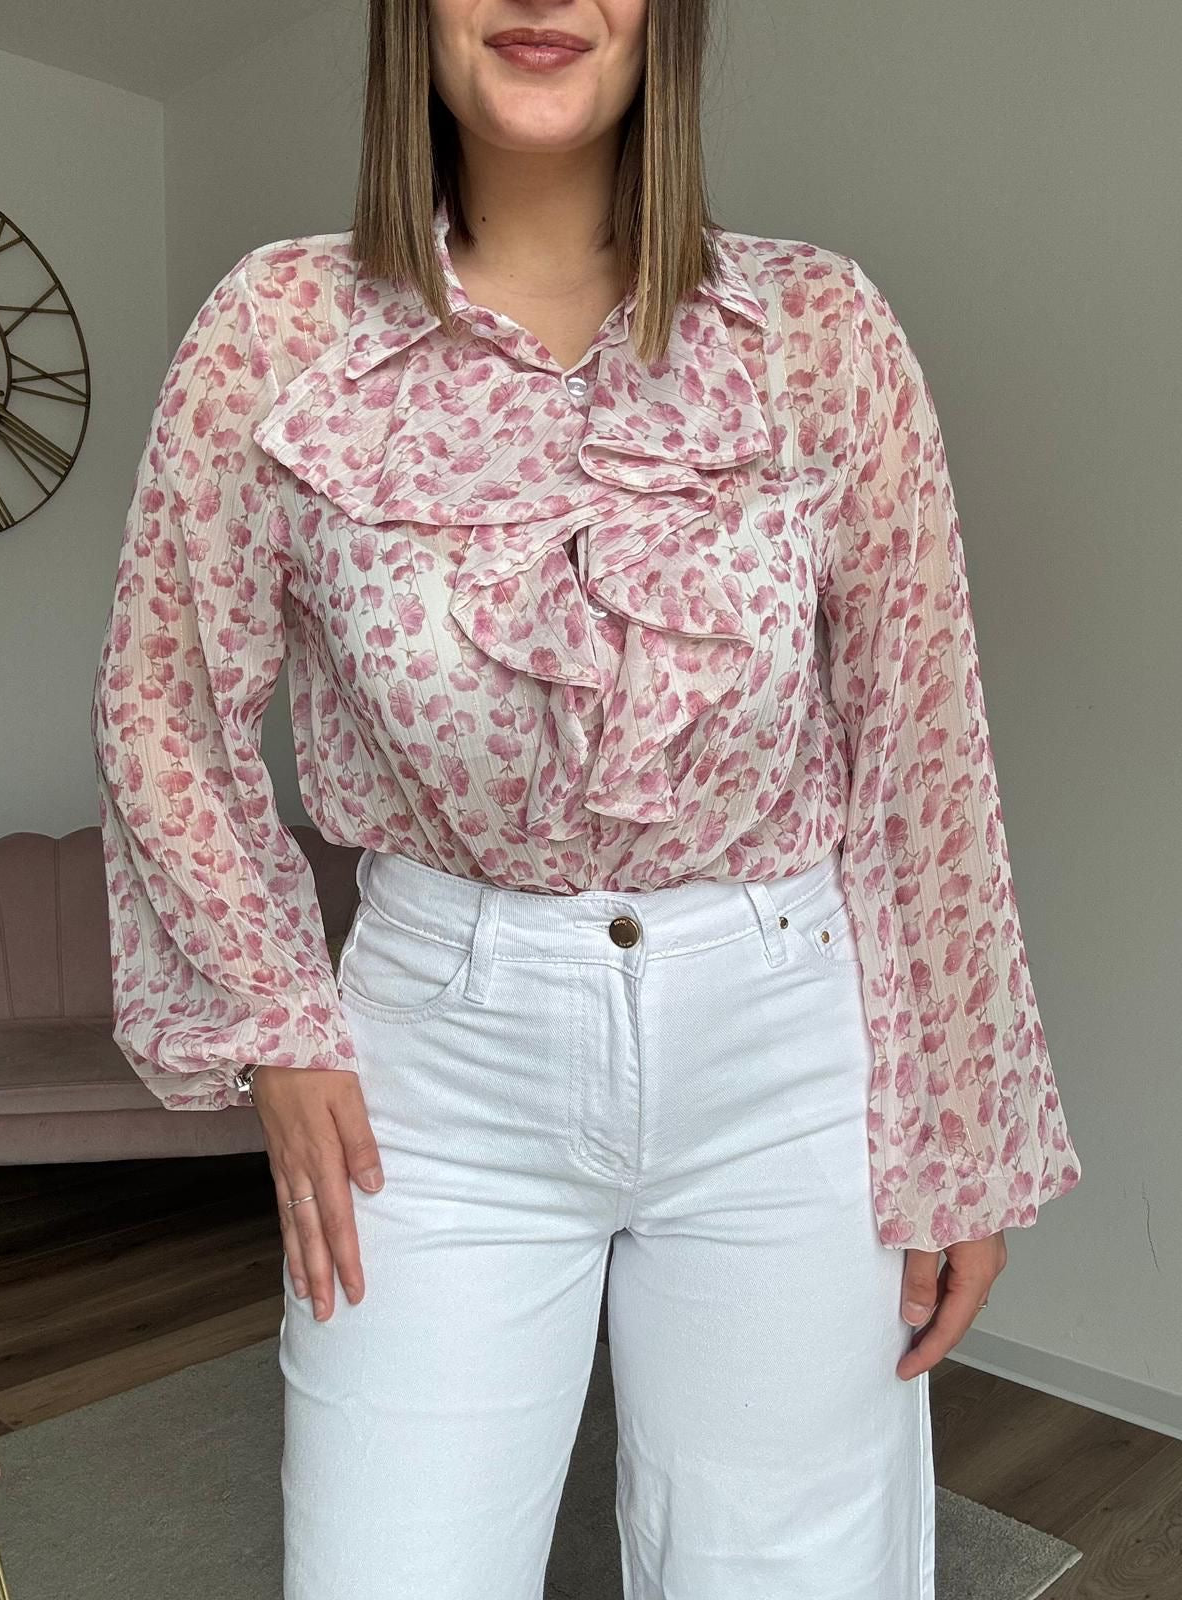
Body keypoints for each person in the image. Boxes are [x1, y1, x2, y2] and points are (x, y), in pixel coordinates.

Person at [89, 1, 1083, 1594]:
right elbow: (161, 700)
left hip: (786, 1055)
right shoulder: (281, 326)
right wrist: (276, 1018)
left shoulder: (819, 333)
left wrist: (958, 1136)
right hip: (428, 1079)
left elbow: (924, 751)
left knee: (795, 1574)